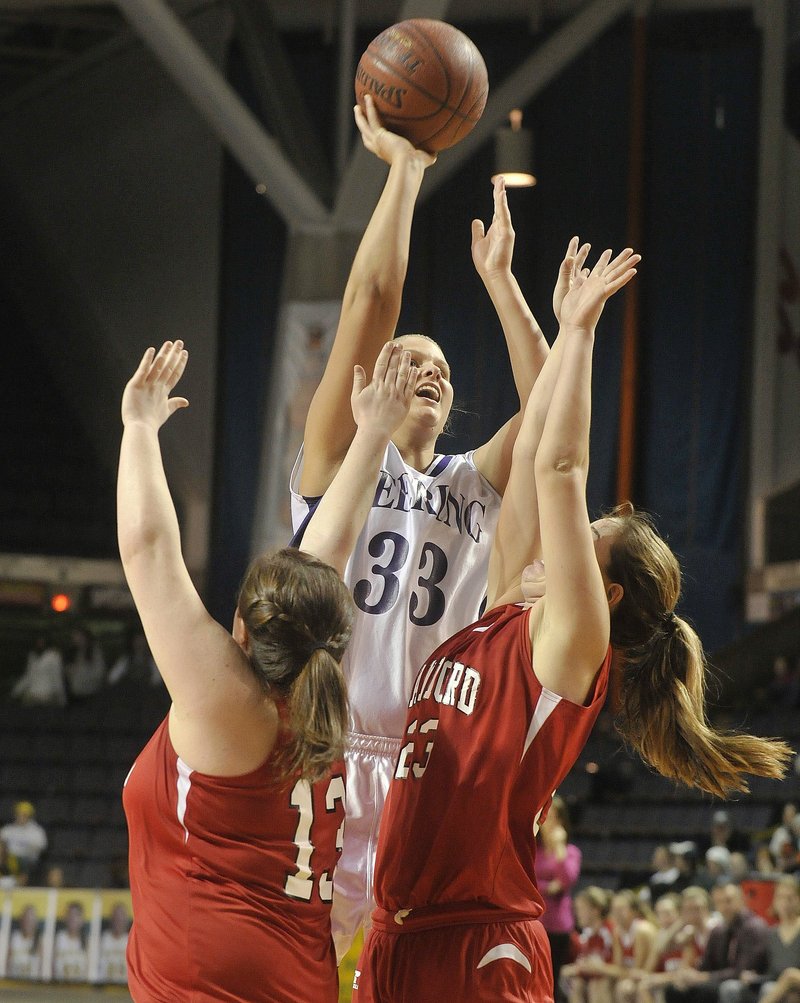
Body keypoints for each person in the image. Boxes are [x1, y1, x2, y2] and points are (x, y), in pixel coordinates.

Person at [340, 241, 792, 1002]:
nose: (574, 525)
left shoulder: (573, 644)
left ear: (606, 593)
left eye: (592, 535)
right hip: (399, 931)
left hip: (480, 939)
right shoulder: (512, 599)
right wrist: (504, 287)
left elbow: (557, 465)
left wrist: (581, 332)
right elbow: (543, 422)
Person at [290, 93, 567, 960]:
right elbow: (371, 296)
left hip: (429, 766)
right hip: (327, 750)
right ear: (374, 380)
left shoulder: (474, 483)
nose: (427, 371)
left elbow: (553, 409)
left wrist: (504, 286)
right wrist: (405, 176)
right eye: (409, 359)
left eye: (441, 366)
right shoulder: (339, 459)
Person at [117, 340, 415, 1001]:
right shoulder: (322, 704)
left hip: (212, 981)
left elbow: (149, 551)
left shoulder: (227, 699)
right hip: (300, 979)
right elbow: (323, 559)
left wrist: (140, 428)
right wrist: (371, 434)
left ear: (243, 629)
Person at [664, 882, 770, 1003]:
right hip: (719, 980)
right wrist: (691, 976)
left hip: (749, 983)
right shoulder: (718, 931)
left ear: (741, 900)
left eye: (728, 901)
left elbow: (742, 970)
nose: (724, 907)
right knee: (675, 989)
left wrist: (704, 977)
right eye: (719, 902)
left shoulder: (754, 928)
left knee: (710, 990)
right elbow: (705, 966)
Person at [716, 876, 800, 1003]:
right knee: (730, 988)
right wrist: (755, 976)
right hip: (773, 982)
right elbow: (770, 970)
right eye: (780, 897)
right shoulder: (772, 933)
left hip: (793, 985)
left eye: (790, 898)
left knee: (770, 988)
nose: (785, 902)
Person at [538, 795, 582, 997]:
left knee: (553, 981)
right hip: (534, 923)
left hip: (558, 926)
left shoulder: (570, 852)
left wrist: (559, 848)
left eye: (555, 818)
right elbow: (524, 882)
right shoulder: (532, 850)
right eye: (547, 817)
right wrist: (549, 887)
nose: (550, 824)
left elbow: (567, 880)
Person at [561, 886, 614, 1003]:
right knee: (576, 982)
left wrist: (592, 968)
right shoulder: (587, 934)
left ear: (595, 910)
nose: (577, 914)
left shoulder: (610, 932)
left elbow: (617, 966)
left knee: (597, 984)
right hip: (597, 975)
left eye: (581, 909)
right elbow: (584, 962)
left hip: (612, 977)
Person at [11, 633, 66, 707]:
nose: (40, 643)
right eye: (38, 641)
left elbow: (57, 677)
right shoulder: (32, 656)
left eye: (42, 641)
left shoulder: (54, 656)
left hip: (47, 696)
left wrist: (62, 698)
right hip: (32, 695)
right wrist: (16, 691)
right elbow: (28, 676)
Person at [0, 801, 48, 884]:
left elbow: (41, 848)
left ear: (30, 816)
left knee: (23, 862)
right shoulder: (8, 829)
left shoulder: (37, 831)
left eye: (24, 814)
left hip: (28, 860)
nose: (21, 817)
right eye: (19, 814)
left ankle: (17, 884)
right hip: (8, 859)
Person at [53, 900, 89, 983]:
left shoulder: (88, 942)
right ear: (65, 918)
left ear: (82, 920)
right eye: (70, 914)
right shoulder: (58, 938)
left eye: (76, 915)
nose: (72, 918)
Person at [6, 902, 42, 980]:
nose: (28, 922)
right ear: (21, 920)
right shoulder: (14, 938)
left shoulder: (39, 941)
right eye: (26, 918)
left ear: (35, 921)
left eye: (30, 919)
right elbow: (7, 964)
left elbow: (41, 968)